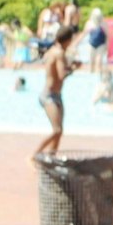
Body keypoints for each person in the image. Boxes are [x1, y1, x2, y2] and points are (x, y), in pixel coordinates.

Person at [34, 24, 80, 159]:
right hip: (49, 96)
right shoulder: (59, 53)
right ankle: (34, 155)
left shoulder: (53, 51)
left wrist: (70, 66)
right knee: (57, 130)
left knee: (59, 132)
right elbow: (61, 75)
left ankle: (51, 159)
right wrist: (73, 68)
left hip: (55, 94)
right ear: (68, 40)